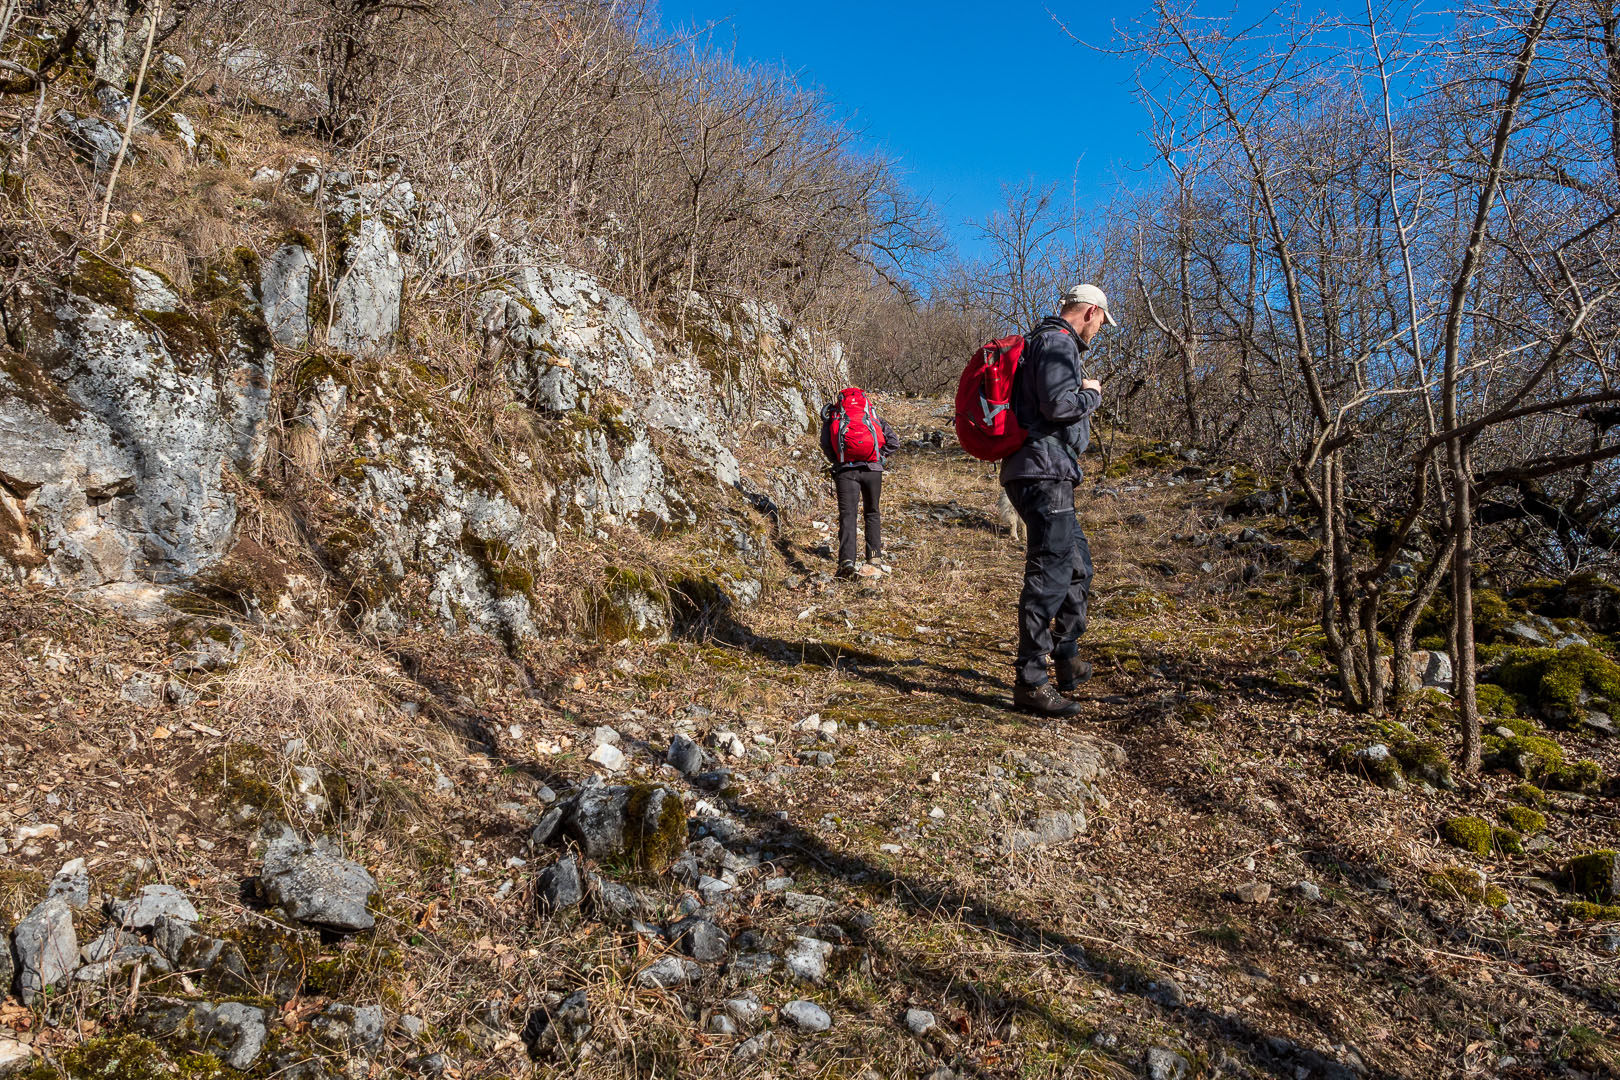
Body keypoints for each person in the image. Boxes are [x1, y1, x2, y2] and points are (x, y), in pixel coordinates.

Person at [1001, 284, 1114, 717]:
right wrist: (1093, 394)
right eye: (1102, 320)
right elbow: (1058, 405)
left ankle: (1066, 657)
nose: (1100, 329)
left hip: (1046, 472)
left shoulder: (1046, 342)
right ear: (1089, 312)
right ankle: (1030, 680)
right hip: (1043, 473)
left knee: (1077, 565)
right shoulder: (1056, 342)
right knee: (1048, 575)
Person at [819, 387, 898, 579]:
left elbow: (826, 444)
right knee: (872, 512)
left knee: (848, 516)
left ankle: (847, 561)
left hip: (846, 472)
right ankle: (874, 557)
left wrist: (838, 461)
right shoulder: (870, 415)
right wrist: (880, 457)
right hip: (873, 470)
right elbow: (894, 441)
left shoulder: (834, 417)